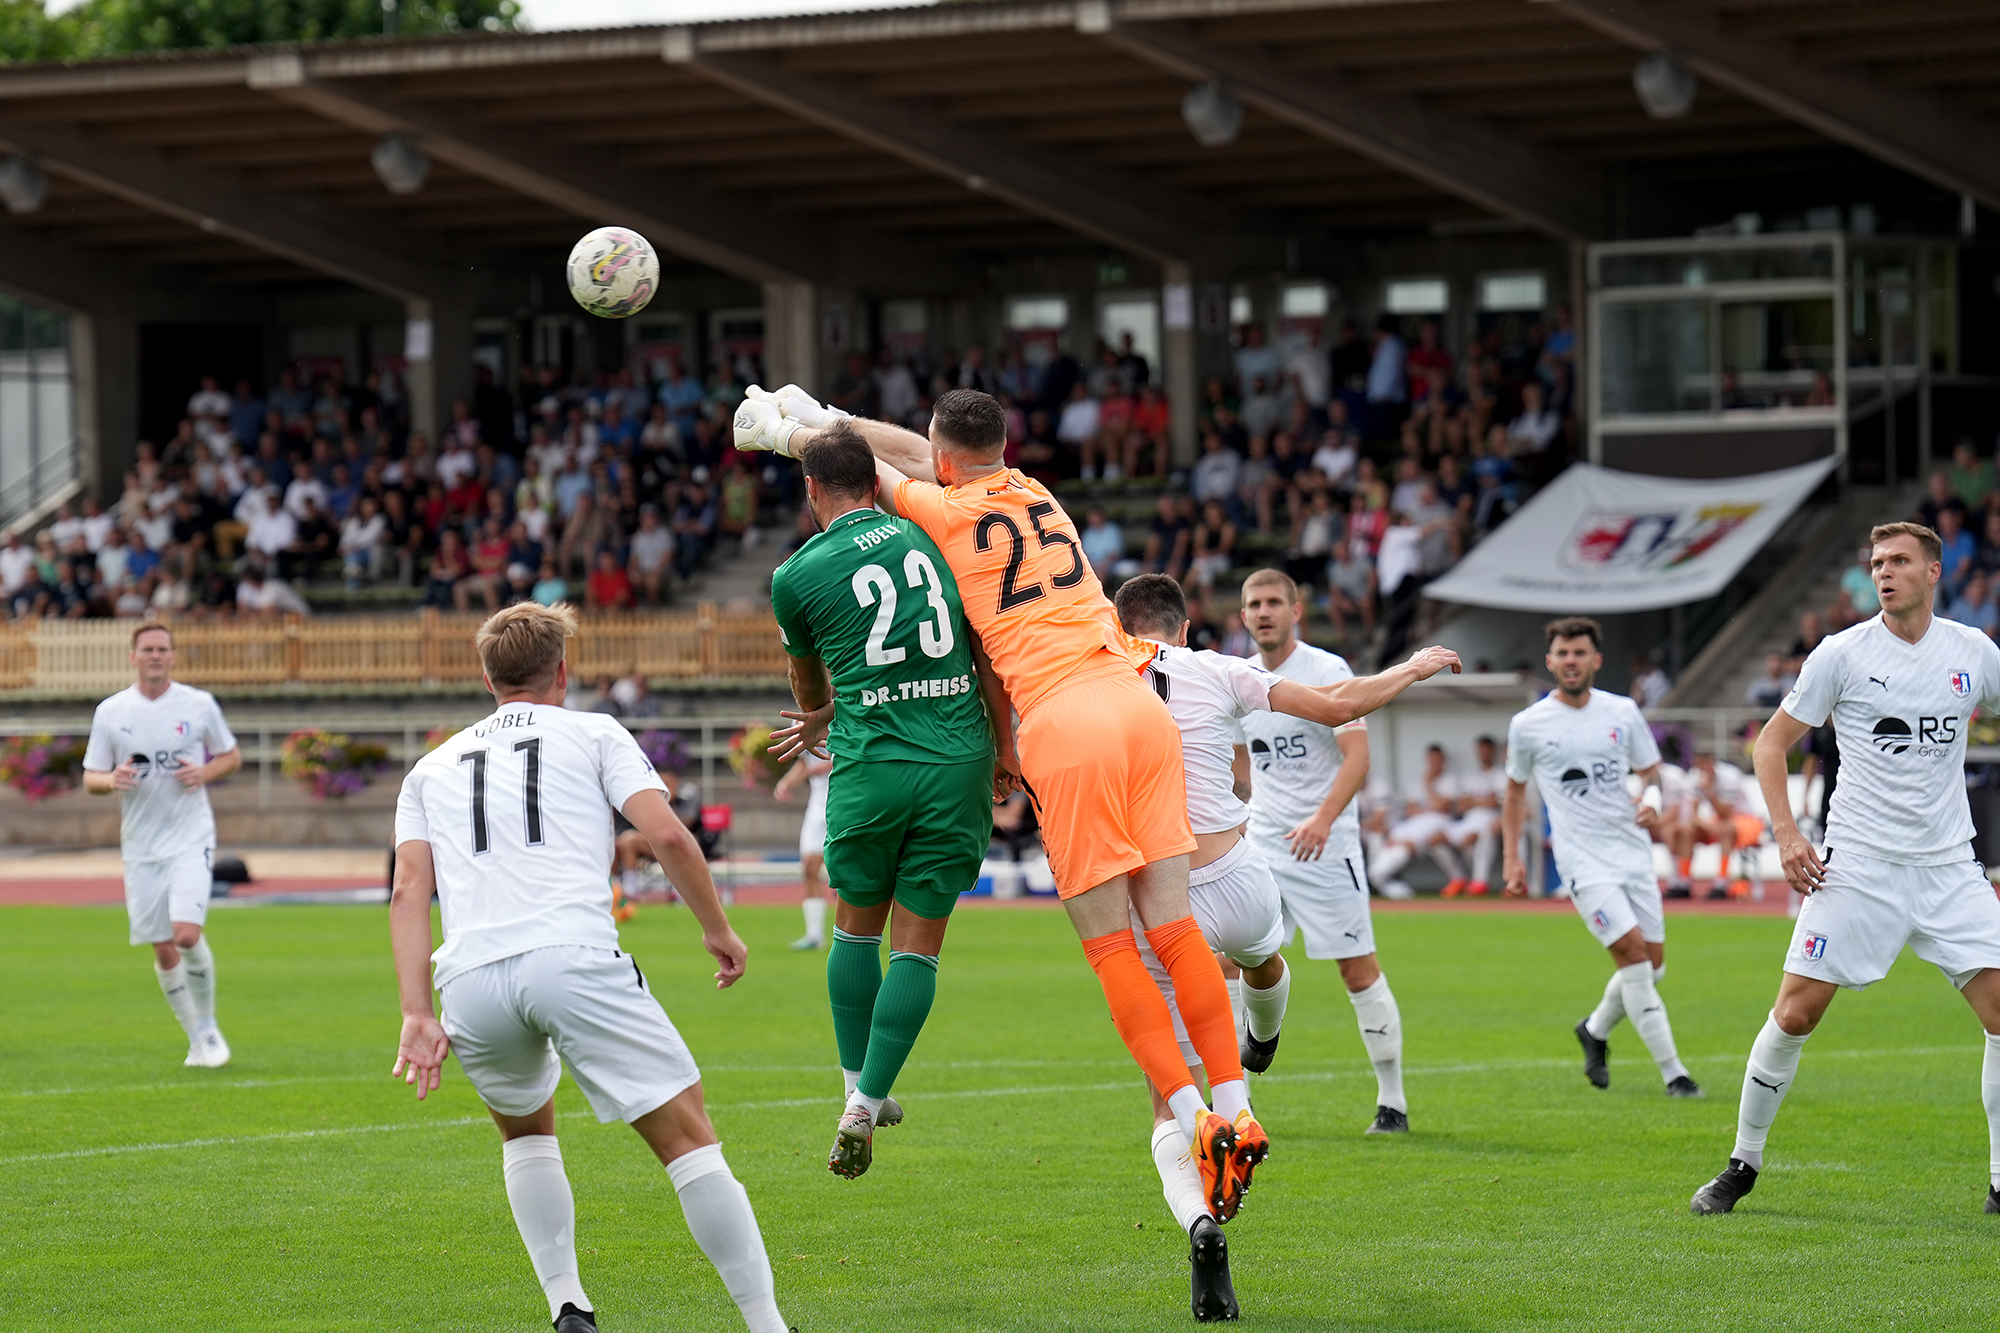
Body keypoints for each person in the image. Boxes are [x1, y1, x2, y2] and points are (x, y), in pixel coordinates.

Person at [739, 386, 1267, 1242]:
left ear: (940, 460)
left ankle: (1186, 1110)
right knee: (1173, 928)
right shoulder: (1033, 490)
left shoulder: (933, 514)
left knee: (1109, 949)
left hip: (1054, 719)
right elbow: (909, 455)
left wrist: (787, 429)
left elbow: (877, 466)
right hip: (1135, 701)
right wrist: (819, 415)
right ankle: (1237, 1107)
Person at [388, 602, 789, 1333]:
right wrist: (717, 928)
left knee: (526, 1134)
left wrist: (416, 1011)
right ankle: (768, 1326)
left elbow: (408, 889)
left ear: (487, 677)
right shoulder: (595, 730)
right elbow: (665, 833)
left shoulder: (430, 767)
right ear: (563, 672)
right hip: (571, 956)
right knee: (687, 1135)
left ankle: (567, 1303)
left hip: (470, 977)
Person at [1113, 572, 1458, 1319]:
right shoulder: (1221, 667)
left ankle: (1201, 1221)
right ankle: (1261, 1035)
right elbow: (1341, 707)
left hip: (1158, 897)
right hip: (1239, 869)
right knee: (1265, 960)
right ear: (1185, 626)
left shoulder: (1093, 675)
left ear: (1121, 625)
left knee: (1167, 1108)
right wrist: (1413, 666)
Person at [1690, 522, 2000, 1217]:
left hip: (1950, 867)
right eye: (1875, 562)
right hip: (1858, 866)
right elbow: (1770, 745)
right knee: (1796, 1012)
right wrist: (1788, 832)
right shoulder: (1843, 653)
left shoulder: (1974, 652)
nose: (1882, 572)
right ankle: (1742, 1162)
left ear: (1933, 571)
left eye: (1897, 561)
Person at [764, 425, 996, 1178]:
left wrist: (819, 711)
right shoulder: (932, 531)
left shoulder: (796, 574)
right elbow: (978, 643)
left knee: (856, 926)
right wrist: (1007, 740)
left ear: (811, 491)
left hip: (871, 762)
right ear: (876, 481)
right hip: (958, 754)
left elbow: (809, 685)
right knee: (918, 945)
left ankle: (850, 1084)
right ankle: (868, 1098)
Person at [1236, 568, 1416, 1133]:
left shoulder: (1326, 671)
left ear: (1295, 611)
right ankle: (1236, 1106)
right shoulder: (1240, 676)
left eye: (1273, 602)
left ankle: (1393, 1102)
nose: (1263, 612)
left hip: (1324, 848)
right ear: (1242, 615)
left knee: (1357, 969)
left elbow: (1357, 757)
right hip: (1263, 845)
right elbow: (1245, 760)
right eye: (1253, 604)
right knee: (1232, 960)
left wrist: (1320, 819)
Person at [1501, 617, 1701, 1099]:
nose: (1571, 661)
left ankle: (1594, 1030)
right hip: (1582, 862)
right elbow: (1513, 795)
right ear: (1550, 662)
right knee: (1632, 958)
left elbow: (1652, 773)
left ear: (1597, 660)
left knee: (1653, 966)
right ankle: (1675, 1074)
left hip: (1632, 854)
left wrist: (1652, 798)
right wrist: (1513, 857)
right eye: (1563, 654)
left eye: (1580, 653)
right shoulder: (1527, 725)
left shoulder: (1623, 712)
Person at [82, 622, 243, 1068]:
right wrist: (110, 779)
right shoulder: (111, 712)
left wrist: (205, 772)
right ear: (132, 657)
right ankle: (194, 1037)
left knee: (186, 934)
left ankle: (209, 1027)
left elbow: (230, 756)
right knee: (163, 947)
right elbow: (90, 778)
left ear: (173, 656)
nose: (155, 655)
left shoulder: (198, 705)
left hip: (191, 837)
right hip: (140, 846)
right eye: (147, 649)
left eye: (163, 649)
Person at [773, 750, 833, 951]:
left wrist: (828, 765)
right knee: (809, 868)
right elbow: (805, 761)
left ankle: (851, 934)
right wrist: (786, 783)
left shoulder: (845, 717)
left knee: (845, 872)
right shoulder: (798, 719)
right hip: (817, 806)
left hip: (846, 802)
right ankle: (814, 934)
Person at [1441, 735, 1506, 895]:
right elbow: (1461, 804)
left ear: (1493, 752)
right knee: (1437, 838)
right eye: (1480, 750)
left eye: (1486, 750)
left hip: (1489, 819)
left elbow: (1495, 802)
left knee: (1485, 836)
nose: (1483, 753)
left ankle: (1479, 882)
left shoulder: (1500, 774)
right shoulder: (1470, 776)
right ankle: (1458, 878)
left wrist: (1474, 801)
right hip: (1468, 820)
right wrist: (1483, 800)